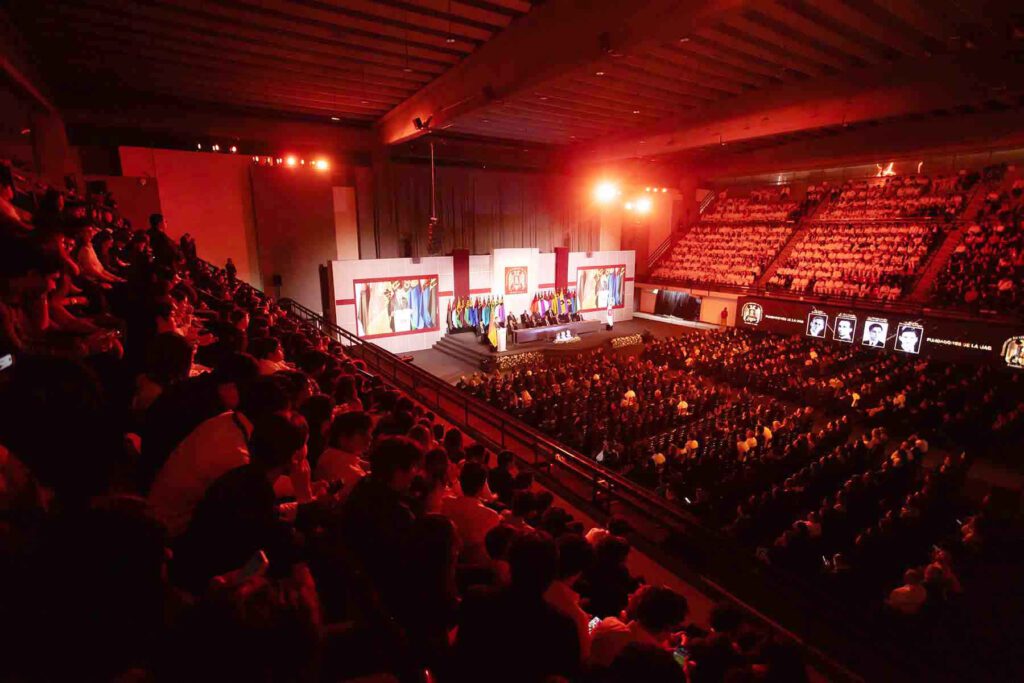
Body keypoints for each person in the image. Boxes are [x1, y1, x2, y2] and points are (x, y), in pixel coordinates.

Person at [173, 413, 310, 592]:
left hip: (190, 569)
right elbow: (290, 551)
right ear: (295, 455)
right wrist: (304, 496)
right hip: (210, 589)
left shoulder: (240, 477)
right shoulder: (256, 494)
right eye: (305, 443)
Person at [453, 531, 580, 682]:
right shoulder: (563, 627)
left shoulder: (477, 599)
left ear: (510, 563)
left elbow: (459, 659)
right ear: (552, 574)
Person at [589, 584, 690, 668]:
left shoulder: (608, 623)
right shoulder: (657, 663)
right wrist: (683, 647)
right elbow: (675, 670)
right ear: (669, 626)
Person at [442, 460, 501, 564]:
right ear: (482, 486)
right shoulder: (492, 516)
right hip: (476, 567)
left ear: (461, 481)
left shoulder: (445, 502)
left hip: (448, 560)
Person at [313, 410, 372, 499]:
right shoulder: (351, 473)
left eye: (370, 433)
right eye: (362, 433)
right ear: (343, 438)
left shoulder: (330, 454)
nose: (370, 437)